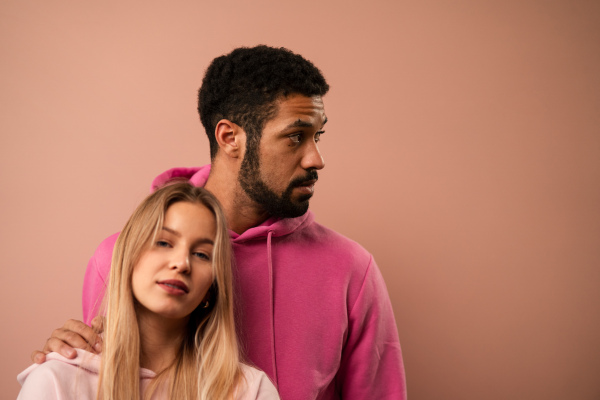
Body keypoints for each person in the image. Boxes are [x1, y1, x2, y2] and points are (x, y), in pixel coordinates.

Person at [32, 45, 407, 399]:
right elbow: (102, 374)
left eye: (317, 136)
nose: (315, 159)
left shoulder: (351, 269)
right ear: (230, 137)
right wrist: (67, 356)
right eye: (295, 137)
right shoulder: (120, 257)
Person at [18, 183, 279, 399]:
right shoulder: (55, 381)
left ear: (211, 290)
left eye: (201, 254)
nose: (181, 263)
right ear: (128, 258)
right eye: (164, 242)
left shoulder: (251, 391)